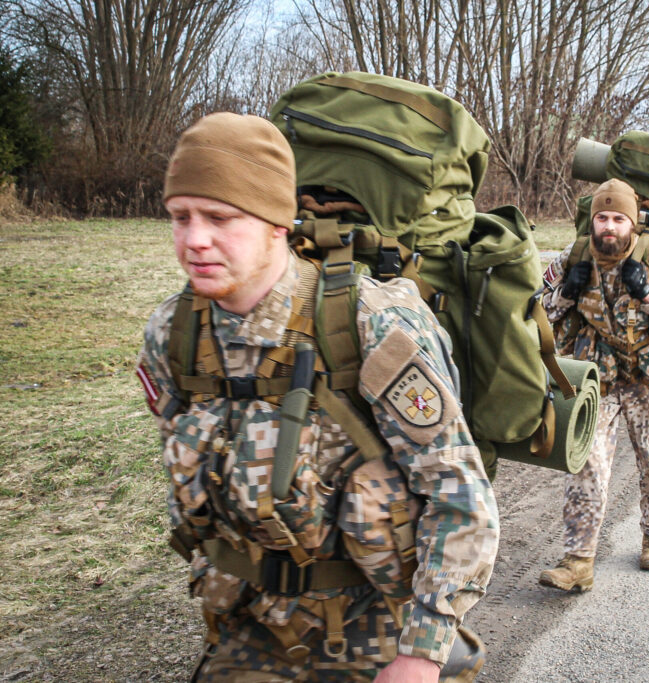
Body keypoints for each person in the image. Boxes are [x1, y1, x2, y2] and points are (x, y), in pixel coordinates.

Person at [136, 112, 498, 682]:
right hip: (245, 626)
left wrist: (421, 652)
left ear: (278, 223)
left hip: (375, 632)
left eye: (220, 217)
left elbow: (459, 495)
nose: (195, 239)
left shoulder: (369, 324)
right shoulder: (174, 332)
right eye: (180, 217)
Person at [537, 178, 649, 591]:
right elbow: (537, 318)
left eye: (618, 219)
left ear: (633, 223)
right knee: (585, 462)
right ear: (592, 222)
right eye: (602, 218)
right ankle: (578, 562)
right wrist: (563, 296)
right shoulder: (572, 257)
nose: (609, 226)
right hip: (599, 377)